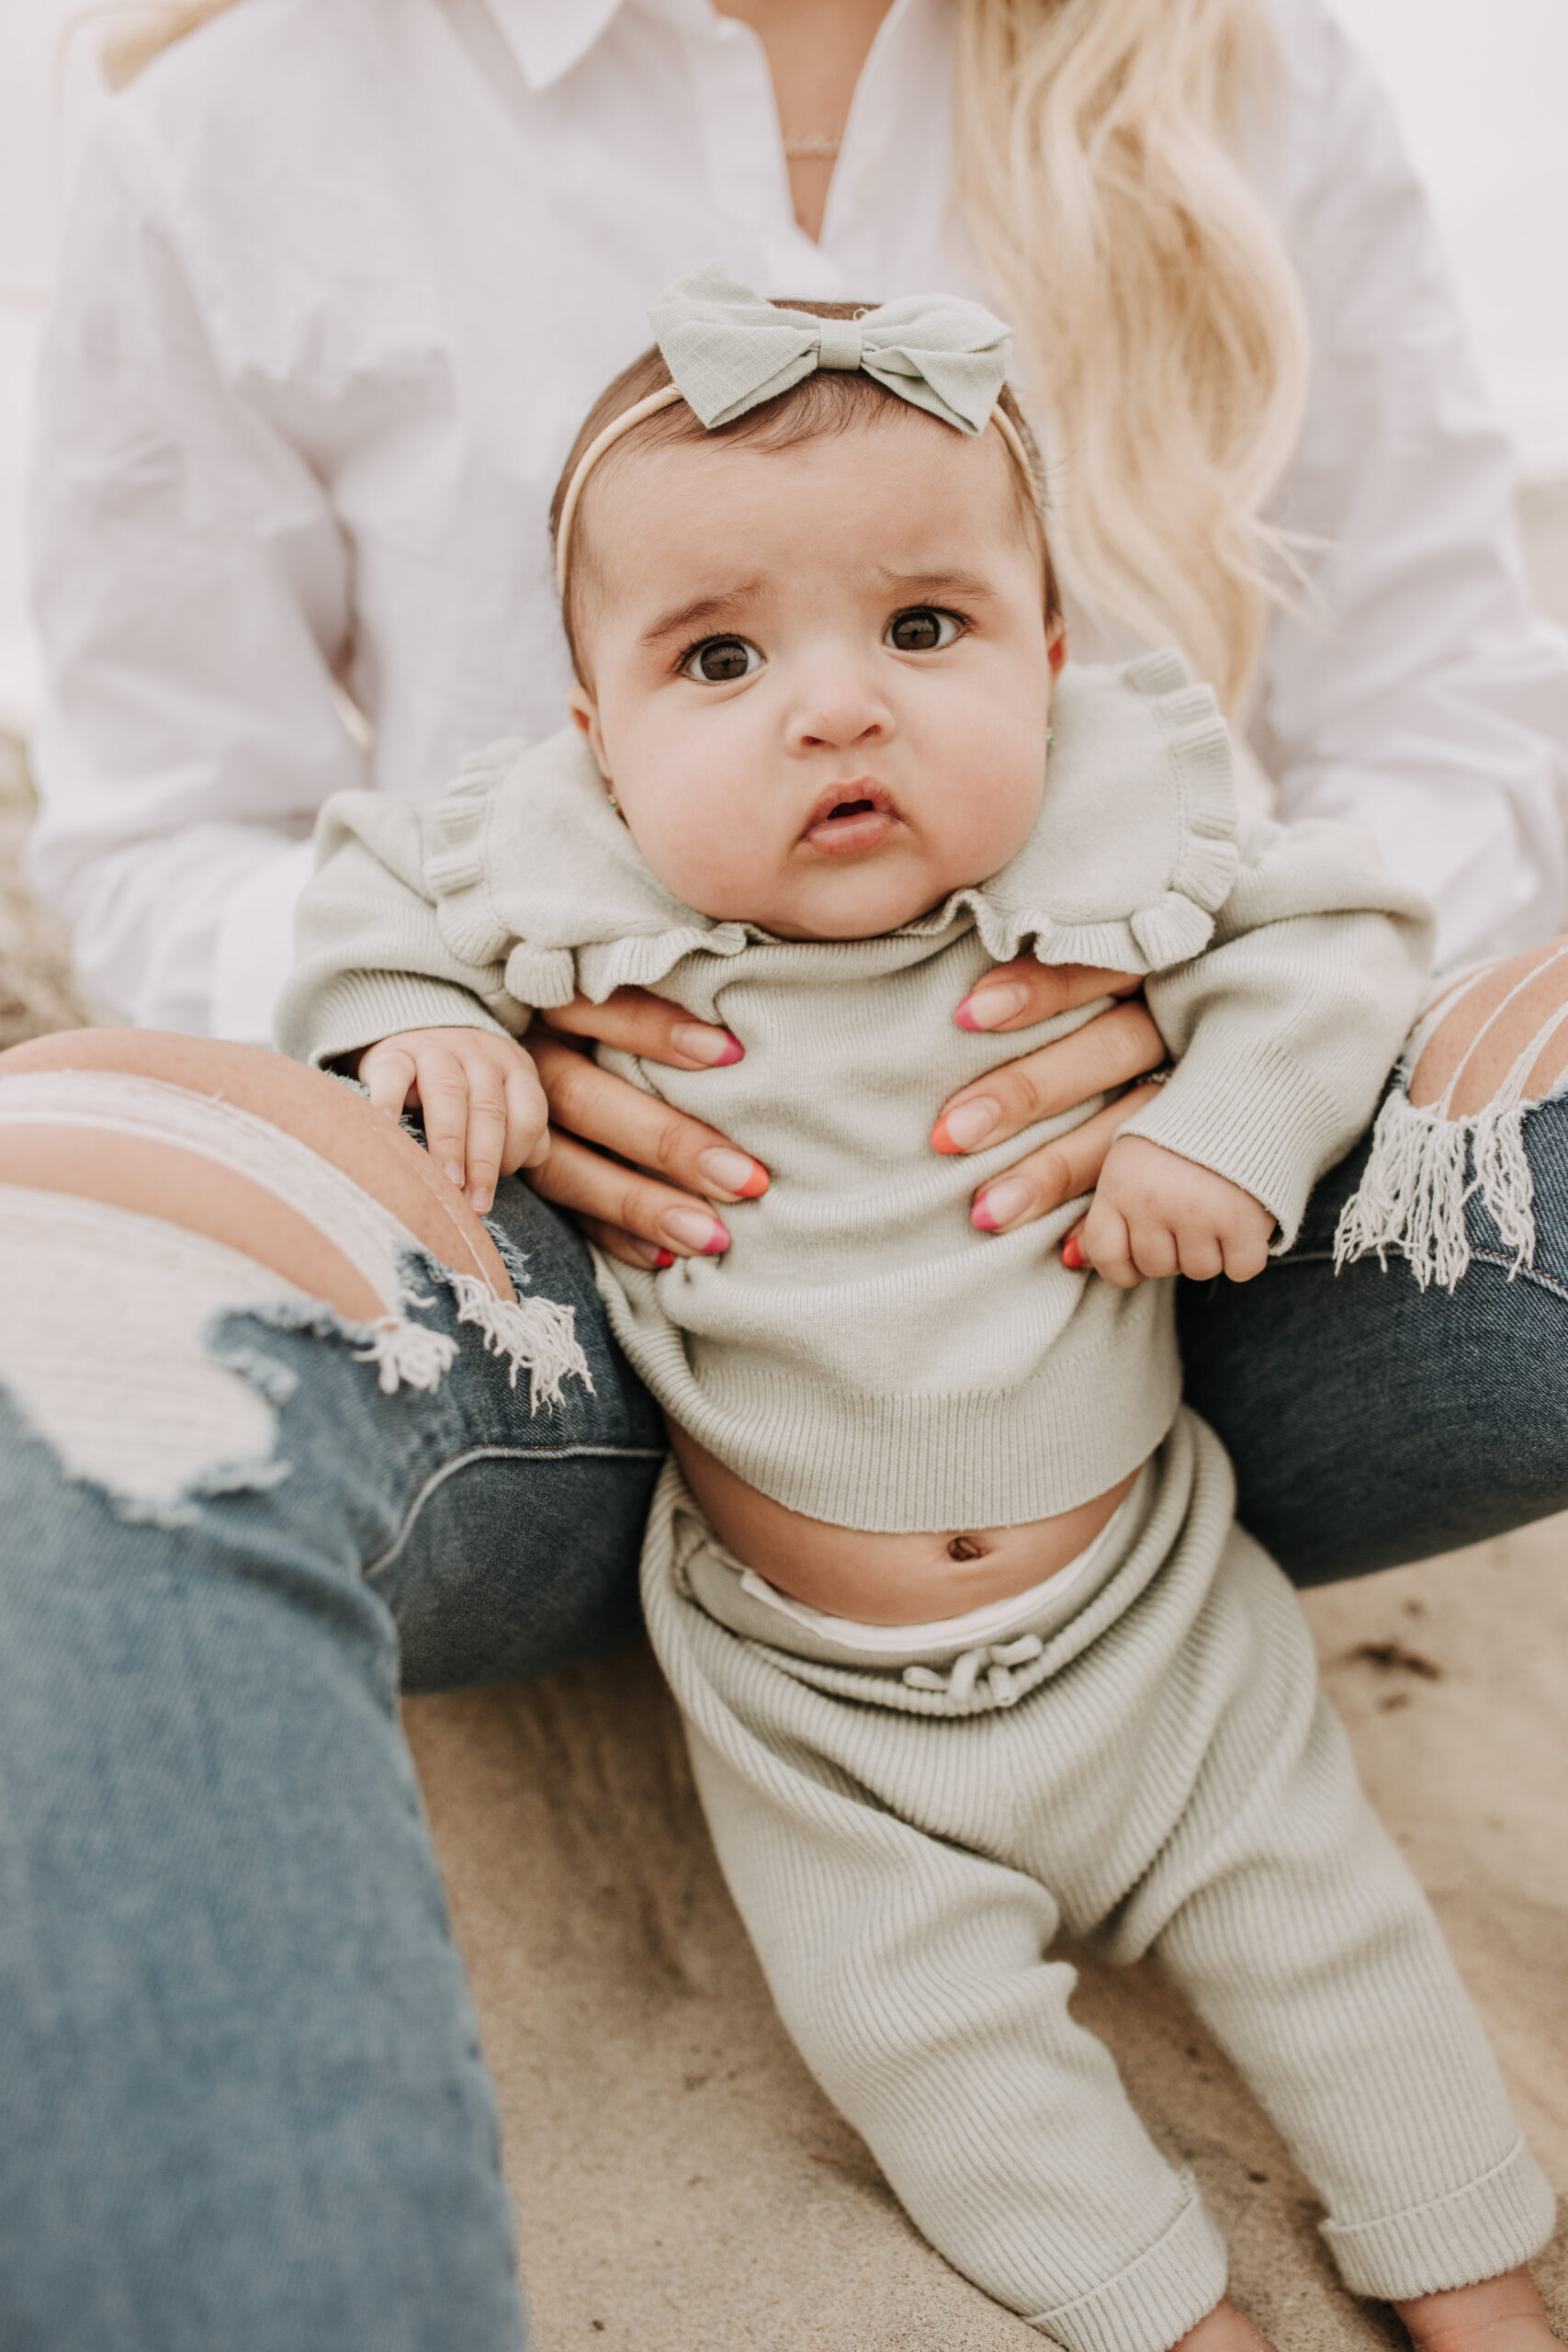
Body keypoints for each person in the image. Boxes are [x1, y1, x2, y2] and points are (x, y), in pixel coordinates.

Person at [4, 0, 1567, 2345]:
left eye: (922, 631)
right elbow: (188, 822)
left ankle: (1475, 2265)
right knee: (68, 1291)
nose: (833, 702)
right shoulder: (245, 136)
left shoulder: (1223, 69)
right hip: (637, 1333)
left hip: (1174, 1279)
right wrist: (467, 1033)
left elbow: (1443, 724)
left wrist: (1193, 1032)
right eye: (725, 655)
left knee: (1316, 1918)